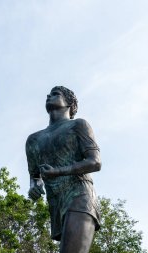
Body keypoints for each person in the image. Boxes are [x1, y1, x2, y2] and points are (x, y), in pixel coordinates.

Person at [26, 86, 101, 253]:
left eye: (55, 94)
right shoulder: (33, 140)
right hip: (56, 202)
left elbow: (95, 162)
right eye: (49, 93)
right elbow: (34, 176)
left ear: (69, 103)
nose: (48, 95)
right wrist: (34, 187)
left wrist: (58, 171)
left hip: (80, 195)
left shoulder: (79, 125)